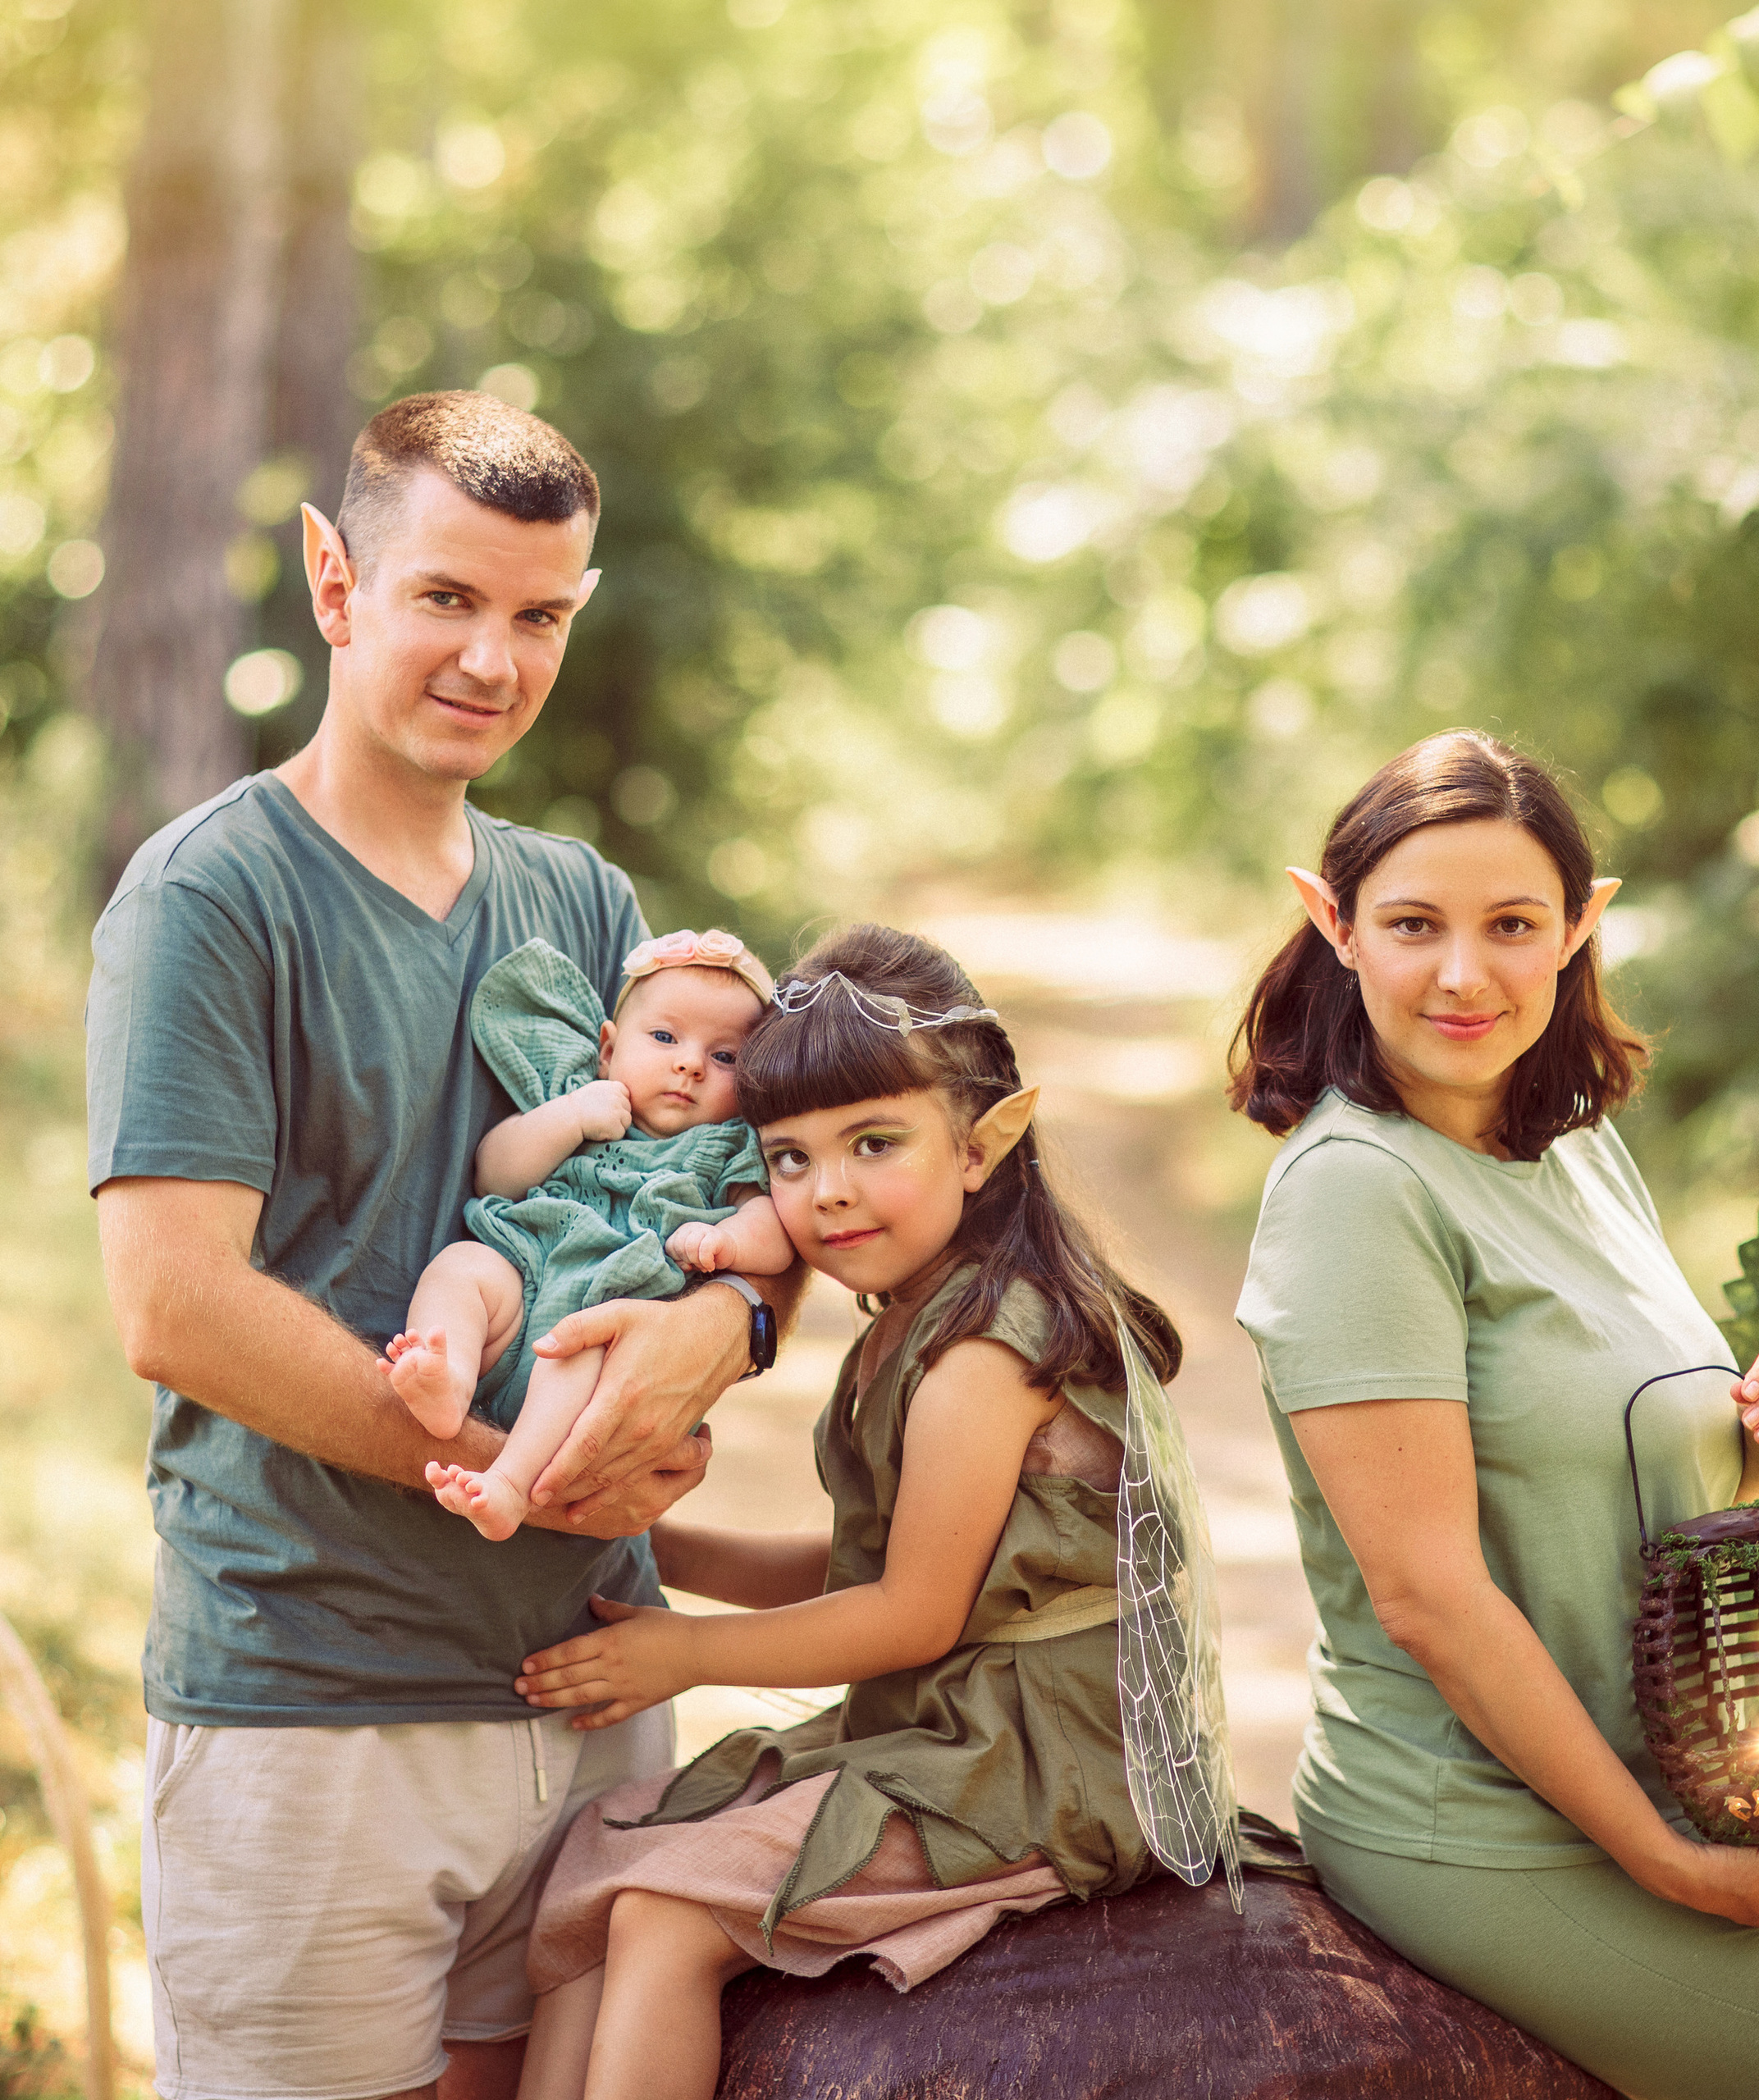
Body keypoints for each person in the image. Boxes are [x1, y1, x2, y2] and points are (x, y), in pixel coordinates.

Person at [87, 390, 801, 2100]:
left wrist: (731, 1333)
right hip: (316, 1701)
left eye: (540, 613)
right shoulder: (210, 899)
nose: (493, 657)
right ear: (336, 582)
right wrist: (512, 1464)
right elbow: (176, 1308)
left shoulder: (588, 908)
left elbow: (737, 1206)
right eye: (447, 598)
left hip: (585, 1687)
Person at [1229, 729, 1759, 2099]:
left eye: (1513, 925)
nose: (1464, 973)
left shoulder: (1574, 1141)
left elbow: (1608, 1437)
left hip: (1650, 1790)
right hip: (1490, 1830)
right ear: (1330, 922)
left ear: (1583, 927)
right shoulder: (1357, 1193)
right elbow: (1429, 1599)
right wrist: (1667, 1860)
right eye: (1413, 925)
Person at [500, 924, 1184, 2100]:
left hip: (1031, 1759)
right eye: (789, 1159)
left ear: (984, 1143)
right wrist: (650, 1540)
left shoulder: (983, 1345)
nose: (830, 1193)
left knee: (667, 1912)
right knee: (600, 1855)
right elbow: (873, 1559)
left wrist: (686, 1655)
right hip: (943, 1721)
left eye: (875, 1144)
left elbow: (914, 1611)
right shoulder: (913, 1314)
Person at [390, 927, 794, 1541]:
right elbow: (493, 1172)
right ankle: (448, 1375)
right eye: (664, 1037)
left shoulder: (728, 1145)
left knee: (581, 1344)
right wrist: (569, 1117)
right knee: (463, 1266)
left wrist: (729, 1242)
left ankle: (509, 1483)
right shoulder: (579, 1104)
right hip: (524, 1281)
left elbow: (775, 1235)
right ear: (607, 1049)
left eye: (724, 1057)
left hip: (604, 1326)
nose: (688, 1063)